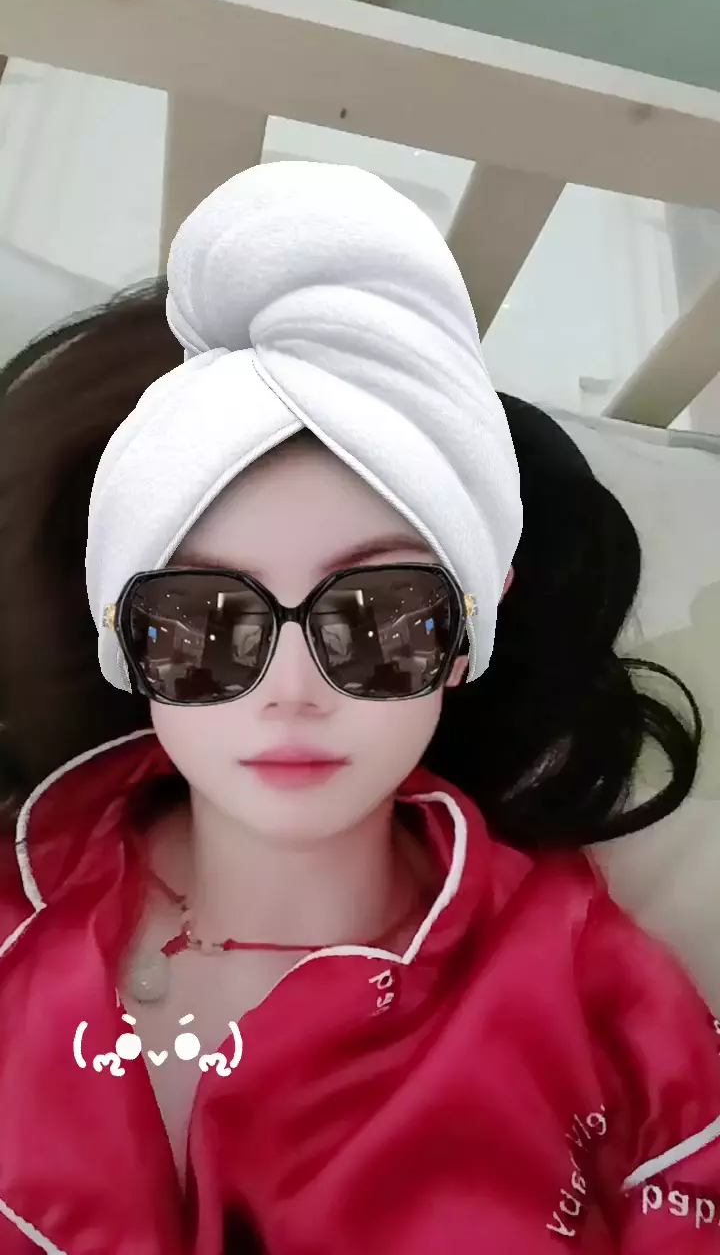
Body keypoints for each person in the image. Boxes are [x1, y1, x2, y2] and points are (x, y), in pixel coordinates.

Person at [0, 162, 716, 1255]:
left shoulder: (601, 1003)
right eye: (204, 625)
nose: (292, 689)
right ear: (122, 638)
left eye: (380, 618)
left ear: (473, 624)